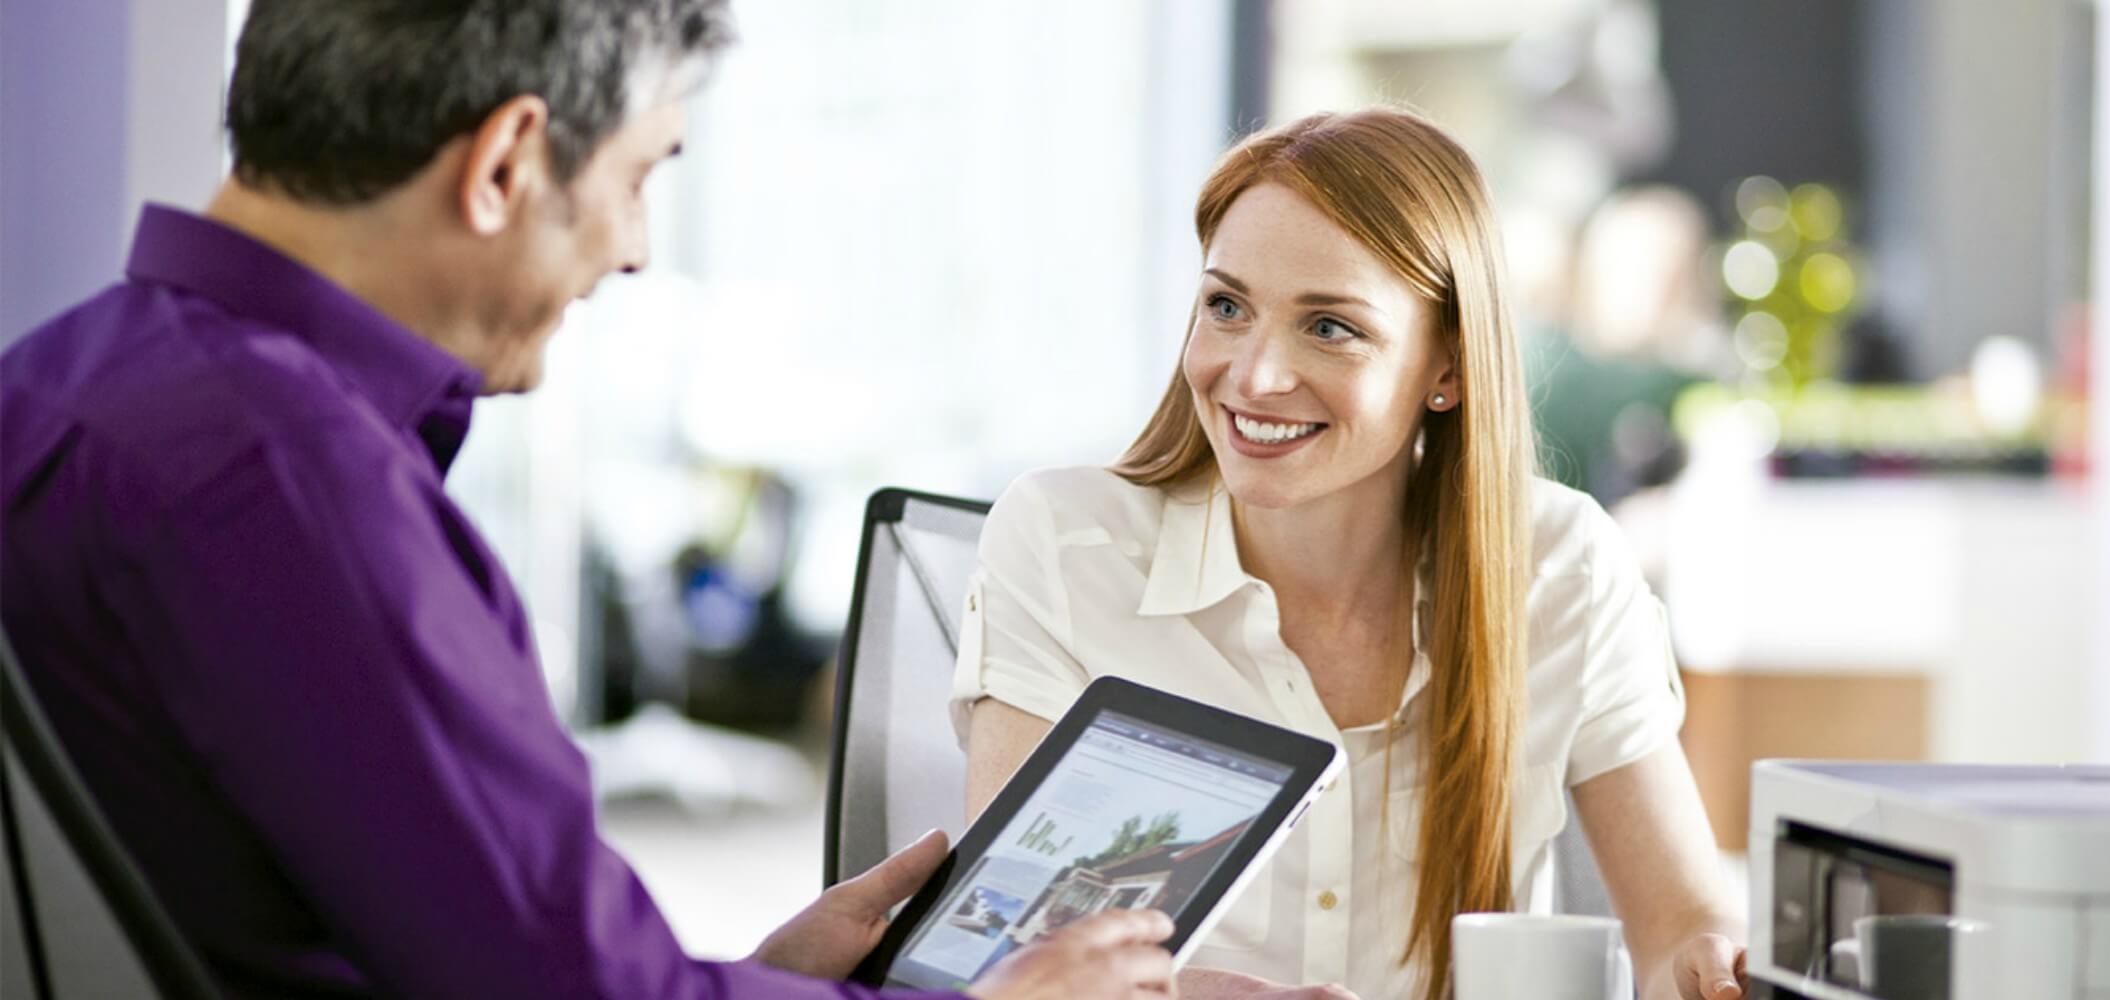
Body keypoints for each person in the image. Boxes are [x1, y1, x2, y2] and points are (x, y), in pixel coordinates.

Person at [0, 2, 1172, 997]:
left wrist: (759, 975)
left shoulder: (58, 381)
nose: (635, 250)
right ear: (507, 162)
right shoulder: (295, 486)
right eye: (639, 173)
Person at [955, 109, 1747, 1000]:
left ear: (1447, 367)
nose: (1254, 376)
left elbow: (1684, 923)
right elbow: (1011, 959)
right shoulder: (1066, 545)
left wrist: (1712, 965)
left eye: (1329, 327)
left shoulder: (1561, 567)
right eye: (1227, 306)